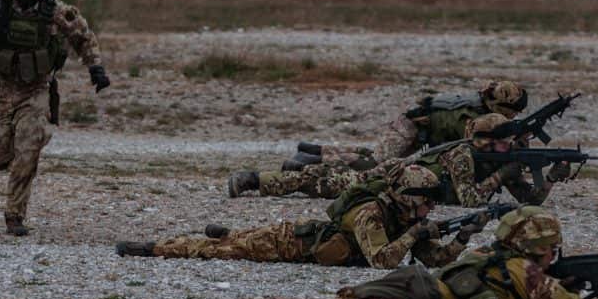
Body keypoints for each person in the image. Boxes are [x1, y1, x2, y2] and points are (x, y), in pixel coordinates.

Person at [175, 206, 598, 299]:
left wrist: (568, 284)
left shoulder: (500, 260)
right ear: (539, 248)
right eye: (550, 250)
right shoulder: (528, 275)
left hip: (411, 292)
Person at [0, 0, 110, 236]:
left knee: (28, 148)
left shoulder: (54, 11)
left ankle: (14, 216)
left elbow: (83, 36)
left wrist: (96, 68)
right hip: (1, 92)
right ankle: (13, 153)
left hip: (36, 92)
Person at [115, 165, 485, 270]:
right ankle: (156, 248)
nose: (432, 209)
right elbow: (381, 261)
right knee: (221, 251)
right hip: (292, 244)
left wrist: (462, 239)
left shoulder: (405, 219)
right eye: (427, 202)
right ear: (408, 198)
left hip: (304, 243)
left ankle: (227, 231)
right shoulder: (373, 214)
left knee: (235, 240)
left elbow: (433, 259)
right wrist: (416, 233)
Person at [228, 113, 570, 207]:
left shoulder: (498, 161)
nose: (508, 148)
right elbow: (469, 200)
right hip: (394, 178)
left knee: (327, 178)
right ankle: (254, 180)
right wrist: (502, 175)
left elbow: (531, 201)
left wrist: (552, 176)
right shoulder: (464, 154)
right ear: (485, 141)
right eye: (503, 143)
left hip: (410, 189)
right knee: (322, 184)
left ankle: (303, 163)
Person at [283, 80, 529, 171]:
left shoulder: (479, 106)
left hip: (420, 128)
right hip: (411, 126)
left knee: (375, 156)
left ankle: (314, 150)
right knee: (375, 165)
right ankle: (309, 161)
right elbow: (472, 145)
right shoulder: (473, 117)